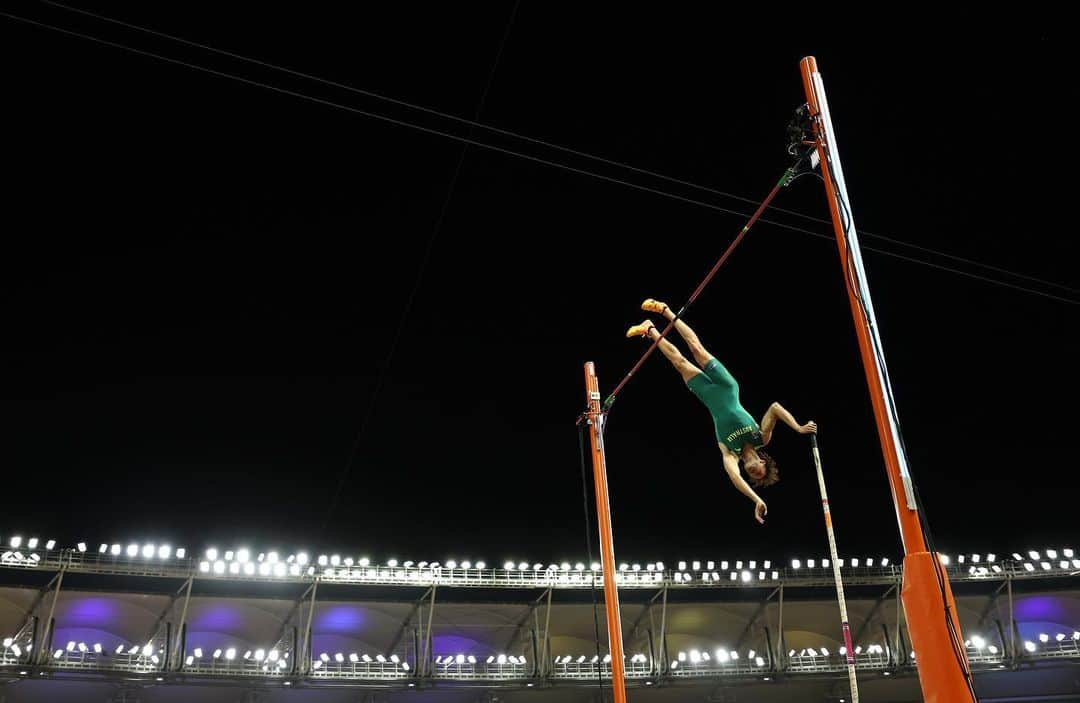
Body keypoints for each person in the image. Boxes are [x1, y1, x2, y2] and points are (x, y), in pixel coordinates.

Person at [626, 299, 817, 524]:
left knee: (679, 362)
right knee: (696, 349)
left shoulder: (730, 452)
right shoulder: (761, 437)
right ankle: (665, 310)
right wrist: (798, 427)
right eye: (758, 472)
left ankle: (649, 329)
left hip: (706, 396)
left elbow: (734, 477)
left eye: (751, 475)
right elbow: (775, 408)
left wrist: (756, 499)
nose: (752, 472)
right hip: (727, 386)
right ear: (763, 463)